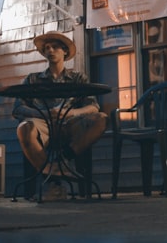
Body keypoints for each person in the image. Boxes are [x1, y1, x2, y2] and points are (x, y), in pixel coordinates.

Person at [13, 31, 108, 173]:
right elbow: (18, 108)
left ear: (64, 51)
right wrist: (43, 113)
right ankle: (51, 172)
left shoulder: (78, 78)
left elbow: (93, 106)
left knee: (102, 119)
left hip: (70, 124)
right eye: (47, 48)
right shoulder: (33, 79)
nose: (50, 50)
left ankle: (63, 159)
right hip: (43, 124)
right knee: (24, 128)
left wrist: (69, 113)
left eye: (55, 47)